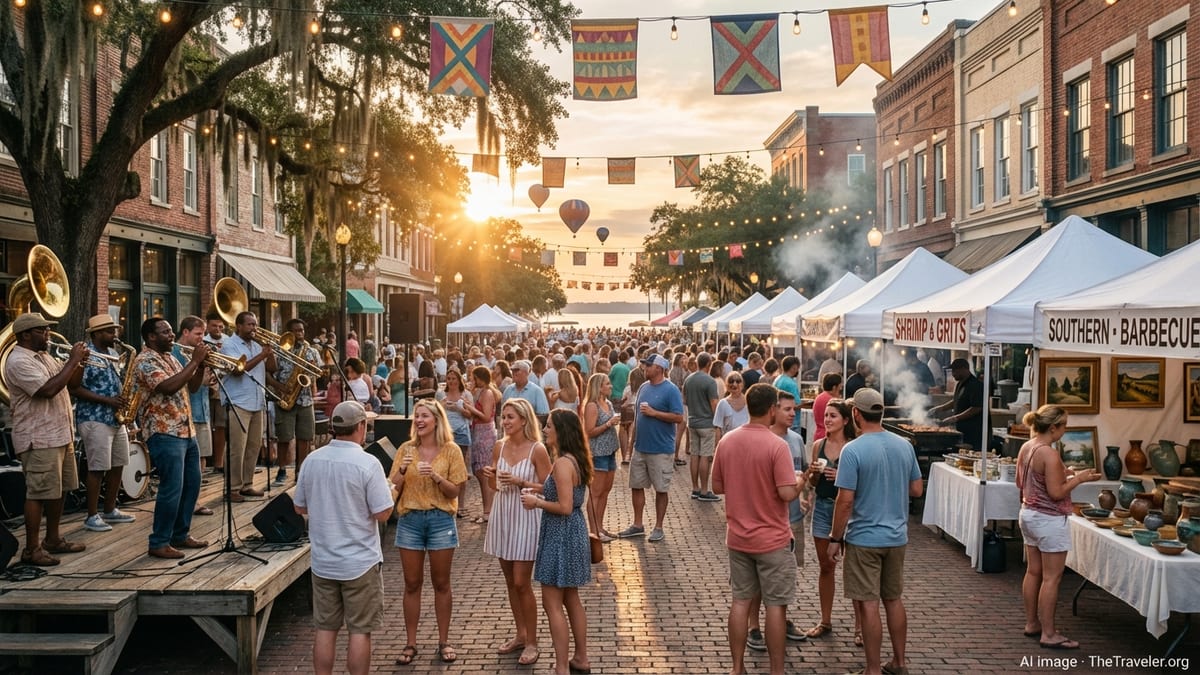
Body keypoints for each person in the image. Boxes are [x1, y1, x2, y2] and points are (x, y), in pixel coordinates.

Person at [827, 388, 923, 675]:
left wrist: (835, 538)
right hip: (896, 536)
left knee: (868, 603)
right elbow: (917, 489)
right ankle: (899, 662)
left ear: (855, 413)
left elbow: (845, 501)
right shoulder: (904, 445)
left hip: (864, 538)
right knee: (893, 599)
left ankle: (872, 669)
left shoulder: (853, 450)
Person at [293, 401, 393, 675]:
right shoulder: (368, 463)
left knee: (325, 629)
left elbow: (299, 507)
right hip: (360, 561)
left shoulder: (312, 459)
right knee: (360, 631)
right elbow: (383, 513)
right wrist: (391, 491)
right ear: (361, 427)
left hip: (324, 561)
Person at [710, 383, 800, 675]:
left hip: (738, 537)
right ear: (772, 409)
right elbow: (786, 493)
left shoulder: (728, 441)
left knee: (740, 601)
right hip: (772, 538)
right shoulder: (777, 445)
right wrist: (802, 483)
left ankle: (737, 667)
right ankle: (776, 669)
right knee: (775, 605)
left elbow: (717, 486)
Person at [4, 312, 88, 566]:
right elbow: (48, 390)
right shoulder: (18, 361)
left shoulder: (44, 356)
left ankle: (53, 539)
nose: (48, 334)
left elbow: (71, 386)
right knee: (38, 493)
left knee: (59, 490)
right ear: (25, 335)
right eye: (42, 330)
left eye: (47, 329)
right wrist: (72, 361)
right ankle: (32, 549)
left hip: (60, 433)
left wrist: (80, 363)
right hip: (38, 437)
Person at [388, 399, 469, 665]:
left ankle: (444, 640)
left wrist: (435, 476)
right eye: (416, 416)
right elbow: (391, 487)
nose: (419, 420)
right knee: (412, 584)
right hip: (410, 519)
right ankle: (410, 643)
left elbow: (455, 491)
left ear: (437, 420)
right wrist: (401, 470)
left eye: (424, 416)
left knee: (441, 583)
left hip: (440, 520)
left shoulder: (451, 451)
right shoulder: (405, 449)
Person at [1017, 405, 1100, 650]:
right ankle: (1049, 633)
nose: (1065, 430)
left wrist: (1066, 474)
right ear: (1053, 427)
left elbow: (1021, 482)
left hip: (1028, 514)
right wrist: (1079, 478)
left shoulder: (1027, 446)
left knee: (1034, 572)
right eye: (1064, 425)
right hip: (1049, 520)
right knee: (1052, 578)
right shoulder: (1049, 454)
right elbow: (1055, 493)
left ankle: (1032, 623)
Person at [482, 399, 552, 666]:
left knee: (523, 583)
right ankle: (520, 634)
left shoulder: (538, 450)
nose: (506, 421)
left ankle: (533, 641)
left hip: (525, 516)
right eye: (504, 417)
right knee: (511, 581)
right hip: (503, 515)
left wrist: (521, 482)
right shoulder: (499, 446)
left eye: (511, 417)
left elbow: (549, 487)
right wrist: (491, 474)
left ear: (524, 420)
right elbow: (494, 485)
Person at [521, 409, 592, 675]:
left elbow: (563, 506)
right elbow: (564, 492)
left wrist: (536, 502)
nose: (545, 429)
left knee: (552, 604)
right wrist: (532, 486)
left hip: (560, 535)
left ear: (561, 430)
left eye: (549, 426)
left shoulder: (563, 463)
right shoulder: (574, 460)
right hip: (572, 533)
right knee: (571, 598)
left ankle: (561, 666)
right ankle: (581, 658)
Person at [134, 317, 211, 559]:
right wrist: (195, 361)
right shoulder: (145, 360)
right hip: (164, 432)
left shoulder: (171, 358)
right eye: (165, 332)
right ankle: (159, 541)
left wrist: (199, 367)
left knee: (192, 484)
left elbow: (193, 386)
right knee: (172, 488)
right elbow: (167, 387)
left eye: (170, 331)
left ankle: (180, 534)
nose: (171, 335)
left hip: (185, 430)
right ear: (151, 337)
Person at [71, 314, 137, 532]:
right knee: (97, 468)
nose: (114, 335)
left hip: (115, 419)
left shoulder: (113, 353)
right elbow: (75, 388)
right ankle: (91, 515)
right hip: (94, 417)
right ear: (96, 333)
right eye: (109, 331)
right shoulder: (87, 355)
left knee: (119, 463)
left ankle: (110, 509)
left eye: (115, 330)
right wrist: (107, 400)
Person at [804, 399, 860, 642]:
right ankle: (825, 620)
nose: (827, 419)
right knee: (826, 566)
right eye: (826, 415)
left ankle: (860, 627)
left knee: (855, 570)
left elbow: (861, 485)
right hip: (824, 508)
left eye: (833, 415)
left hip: (850, 511)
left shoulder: (855, 447)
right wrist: (813, 474)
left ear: (846, 420)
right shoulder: (818, 445)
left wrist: (842, 476)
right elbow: (812, 484)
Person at [617, 354, 683, 542]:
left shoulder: (671, 390)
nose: (644, 368)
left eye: (648, 366)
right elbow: (638, 418)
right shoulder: (644, 388)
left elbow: (678, 417)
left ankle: (659, 526)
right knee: (636, 486)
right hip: (641, 447)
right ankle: (638, 524)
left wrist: (655, 413)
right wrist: (631, 445)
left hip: (661, 448)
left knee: (661, 489)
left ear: (659, 369)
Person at [219, 311, 276, 503]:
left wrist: (271, 353)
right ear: (239, 326)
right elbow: (237, 370)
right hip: (238, 402)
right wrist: (262, 355)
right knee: (237, 447)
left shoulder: (258, 345)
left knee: (253, 446)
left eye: (255, 324)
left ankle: (247, 484)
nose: (254, 328)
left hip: (257, 401)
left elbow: (272, 369)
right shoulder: (229, 345)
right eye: (250, 325)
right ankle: (232, 488)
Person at [269, 318, 320, 486]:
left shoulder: (311, 351)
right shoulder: (279, 349)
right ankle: (282, 469)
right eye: (296, 331)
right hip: (285, 398)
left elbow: (318, 373)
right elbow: (268, 374)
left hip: (305, 399)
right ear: (289, 332)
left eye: (302, 331)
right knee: (284, 437)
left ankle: (301, 470)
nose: (300, 334)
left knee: (305, 437)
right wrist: (280, 388)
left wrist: (312, 370)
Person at [173, 316, 215, 516]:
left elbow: (204, 381)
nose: (202, 338)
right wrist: (201, 371)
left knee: (202, 457)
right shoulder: (176, 352)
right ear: (185, 332)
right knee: (186, 461)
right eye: (199, 334)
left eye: (203, 334)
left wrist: (211, 375)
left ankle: (195, 501)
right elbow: (182, 382)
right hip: (184, 413)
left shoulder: (198, 351)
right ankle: (184, 503)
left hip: (202, 409)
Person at [582, 373, 619, 541]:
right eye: (607, 384)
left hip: (610, 451)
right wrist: (608, 424)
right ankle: (594, 531)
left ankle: (601, 527)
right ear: (599, 386)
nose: (610, 386)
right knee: (595, 493)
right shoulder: (592, 405)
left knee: (605, 491)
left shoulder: (608, 403)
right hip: (598, 453)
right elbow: (589, 432)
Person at [462, 366, 500, 521]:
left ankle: (487, 511)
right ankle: (487, 509)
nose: (472, 381)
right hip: (478, 432)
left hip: (485, 434)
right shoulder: (481, 392)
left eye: (474, 378)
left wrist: (471, 408)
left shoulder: (488, 393)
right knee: (479, 471)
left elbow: (485, 415)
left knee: (484, 473)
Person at [683, 353, 719, 491]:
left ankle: (695, 487)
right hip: (707, 423)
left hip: (692, 422)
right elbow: (714, 403)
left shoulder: (689, 379)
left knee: (694, 455)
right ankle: (704, 489)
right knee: (705, 456)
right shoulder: (710, 381)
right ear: (709, 364)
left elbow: (685, 400)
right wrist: (717, 422)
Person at [932, 358, 985, 449]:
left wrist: (955, 418)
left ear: (964, 369)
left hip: (973, 432)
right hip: (960, 430)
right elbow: (956, 400)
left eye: (955, 371)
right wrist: (940, 408)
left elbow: (977, 407)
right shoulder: (960, 384)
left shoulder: (976, 385)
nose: (953, 374)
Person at [436, 368, 474, 473]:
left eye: (454, 378)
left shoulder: (466, 394)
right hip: (445, 432)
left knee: (460, 464)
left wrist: (458, 408)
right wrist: (441, 406)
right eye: (449, 379)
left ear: (459, 380)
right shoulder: (441, 394)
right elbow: (435, 415)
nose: (451, 381)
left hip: (461, 432)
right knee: (445, 463)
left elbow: (470, 415)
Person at [204, 314, 228, 473]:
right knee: (205, 426)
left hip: (221, 387)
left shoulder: (228, 341)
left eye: (220, 326)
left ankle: (218, 463)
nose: (218, 329)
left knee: (220, 426)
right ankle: (205, 462)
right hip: (203, 387)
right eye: (214, 326)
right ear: (207, 325)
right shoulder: (202, 340)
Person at [713, 372, 750, 444]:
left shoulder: (749, 402)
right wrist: (717, 447)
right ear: (727, 385)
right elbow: (718, 428)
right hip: (728, 443)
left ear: (742, 384)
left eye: (738, 381)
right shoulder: (722, 403)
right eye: (731, 381)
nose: (734, 384)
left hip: (747, 443)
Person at [812, 372, 843, 442]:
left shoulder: (819, 397)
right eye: (839, 388)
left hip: (819, 434)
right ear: (834, 387)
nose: (840, 391)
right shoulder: (831, 401)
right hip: (828, 436)